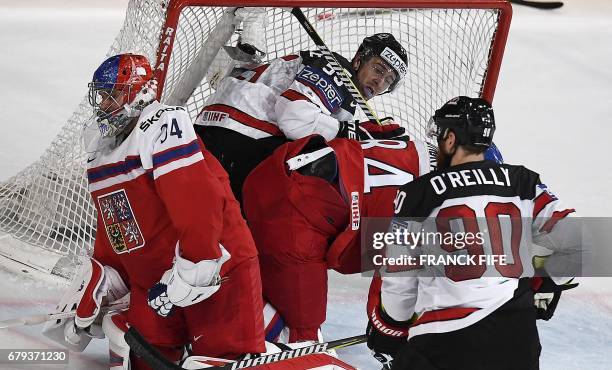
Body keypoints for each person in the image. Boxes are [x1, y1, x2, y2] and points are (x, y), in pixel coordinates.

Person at [42, 53, 266, 369]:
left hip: (217, 267)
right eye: (103, 95)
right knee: (138, 352)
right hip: (157, 285)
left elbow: (197, 201)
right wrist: (106, 278)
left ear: (139, 91)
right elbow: (118, 226)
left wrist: (197, 264)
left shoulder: (162, 124)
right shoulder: (100, 151)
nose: (105, 104)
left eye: (114, 94)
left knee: (222, 361)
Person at [365, 96, 581, 370]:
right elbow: (578, 244)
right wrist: (547, 281)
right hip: (517, 341)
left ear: (451, 139)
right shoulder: (524, 183)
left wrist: (389, 331)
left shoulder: (417, 194)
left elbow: (399, 286)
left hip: (444, 345)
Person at [241, 131, 436, 343]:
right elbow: (393, 286)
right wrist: (389, 334)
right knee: (302, 338)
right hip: (298, 216)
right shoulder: (439, 203)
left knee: (249, 269)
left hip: (275, 170)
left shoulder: (426, 150)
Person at [195, 30, 408, 202]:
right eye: (378, 70)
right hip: (239, 136)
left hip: (217, 132)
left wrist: (360, 136)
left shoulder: (345, 96)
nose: (380, 82)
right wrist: (350, 132)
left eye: (388, 80)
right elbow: (294, 116)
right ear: (358, 60)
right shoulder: (337, 69)